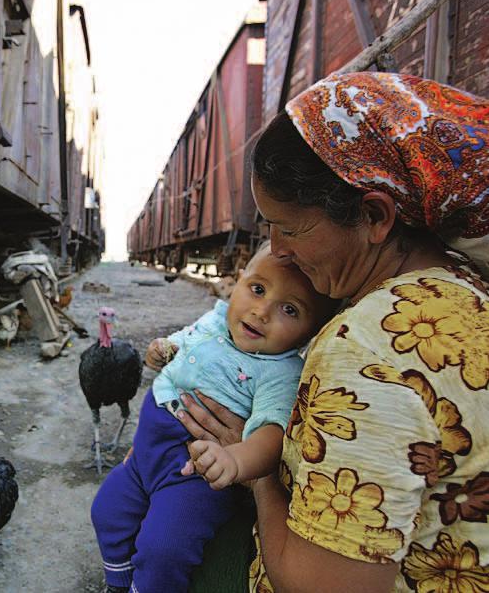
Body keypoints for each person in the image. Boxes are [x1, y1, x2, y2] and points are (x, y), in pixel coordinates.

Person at [180, 72, 489, 592]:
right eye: (269, 228)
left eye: (292, 229)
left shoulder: (367, 346)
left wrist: (258, 471)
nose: (276, 250)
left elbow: (317, 585)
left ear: (374, 215)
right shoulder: (466, 285)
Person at [90, 245, 336, 593]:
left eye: (290, 309)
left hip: (195, 476)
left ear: (309, 334)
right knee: (107, 511)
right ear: (236, 283)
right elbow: (183, 341)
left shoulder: (280, 371)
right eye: (258, 289)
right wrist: (163, 348)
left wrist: (234, 460)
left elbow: (271, 433)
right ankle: (118, 581)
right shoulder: (216, 319)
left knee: (165, 549)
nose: (262, 311)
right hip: (146, 455)